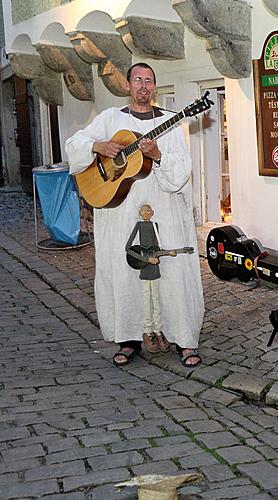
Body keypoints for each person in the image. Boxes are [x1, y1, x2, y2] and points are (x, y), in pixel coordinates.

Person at [65, 63, 204, 368]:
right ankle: (129, 339)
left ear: (155, 87)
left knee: (173, 274)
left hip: (164, 211)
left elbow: (181, 172)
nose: (143, 85)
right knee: (123, 273)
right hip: (121, 212)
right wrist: (98, 146)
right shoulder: (111, 119)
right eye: (138, 80)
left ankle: (182, 338)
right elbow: (74, 146)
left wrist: (157, 156)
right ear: (127, 85)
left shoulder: (170, 122)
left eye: (149, 81)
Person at [126, 203, 176, 355]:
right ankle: (148, 331)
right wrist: (146, 260)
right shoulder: (139, 226)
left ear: (152, 212)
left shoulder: (155, 226)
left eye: (149, 210)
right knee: (146, 299)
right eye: (144, 210)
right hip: (145, 268)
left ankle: (158, 330)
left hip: (155, 270)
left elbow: (157, 248)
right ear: (140, 212)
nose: (146, 212)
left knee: (156, 299)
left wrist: (169, 253)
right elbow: (128, 248)